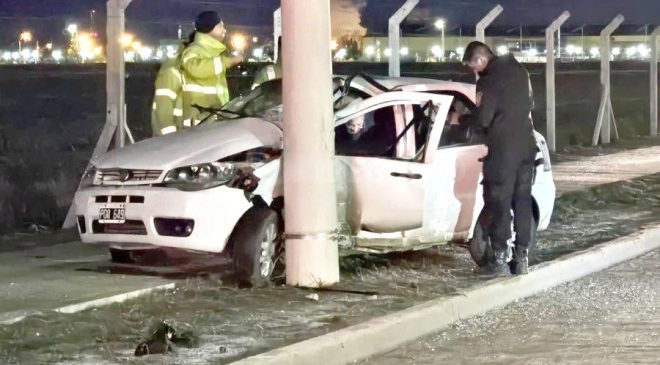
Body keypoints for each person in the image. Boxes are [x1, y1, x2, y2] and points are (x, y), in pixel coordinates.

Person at [462, 41, 536, 276]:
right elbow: (530, 104)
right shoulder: (521, 71)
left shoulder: (488, 80)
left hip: (503, 150)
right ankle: (522, 258)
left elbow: (483, 118)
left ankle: (499, 260)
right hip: (526, 145)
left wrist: (461, 120)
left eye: (473, 66)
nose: (474, 71)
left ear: (481, 60)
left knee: (499, 202)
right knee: (522, 200)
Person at [181, 11, 244, 127]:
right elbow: (196, 68)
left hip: (213, 117)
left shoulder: (215, 53)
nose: (224, 30)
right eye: (220, 26)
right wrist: (228, 61)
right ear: (208, 28)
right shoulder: (194, 50)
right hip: (198, 121)